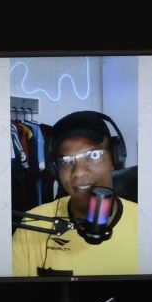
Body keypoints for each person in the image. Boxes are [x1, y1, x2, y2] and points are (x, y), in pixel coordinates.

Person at [12, 110, 138, 277]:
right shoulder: (32, 225)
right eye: (66, 161)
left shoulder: (147, 224)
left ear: (115, 158)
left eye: (94, 155)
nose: (78, 172)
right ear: (56, 170)